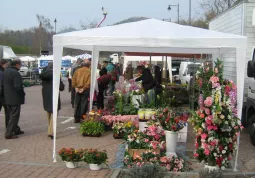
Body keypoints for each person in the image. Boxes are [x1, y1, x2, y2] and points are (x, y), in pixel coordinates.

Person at [40, 62, 64, 139]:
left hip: (45, 93)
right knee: (55, 112)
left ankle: (50, 129)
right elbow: (61, 87)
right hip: (54, 93)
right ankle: (51, 131)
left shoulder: (44, 73)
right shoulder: (56, 74)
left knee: (48, 112)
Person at [3, 59, 25, 139]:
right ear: (17, 65)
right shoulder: (15, 73)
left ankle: (15, 129)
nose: (20, 66)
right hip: (15, 97)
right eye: (20, 64)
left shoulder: (5, 71)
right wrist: (22, 94)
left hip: (7, 96)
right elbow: (18, 86)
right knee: (14, 115)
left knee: (10, 115)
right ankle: (9, 133)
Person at [0, 59, 9, 128]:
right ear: (3, 64)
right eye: (6, 65)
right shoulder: (2, 73)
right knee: (8, 111)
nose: (7, 66)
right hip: (2, 95)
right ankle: (8, 127)